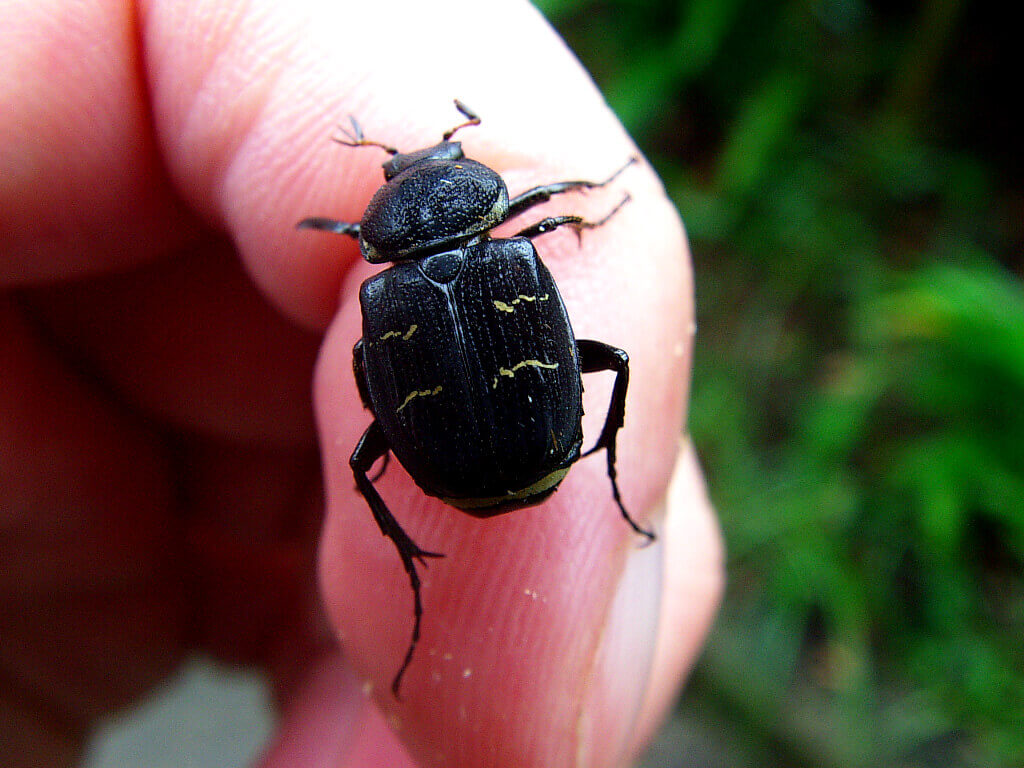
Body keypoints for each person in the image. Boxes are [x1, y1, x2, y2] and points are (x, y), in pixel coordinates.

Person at [0, 1, 723, 765]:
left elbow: (364, 373)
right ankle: (596, 478)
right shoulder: (509, 249)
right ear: (473, 191)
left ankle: (437, 565)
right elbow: (550, 207)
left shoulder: (384, 299)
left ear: (378, 224)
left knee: (361, 462)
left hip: (462, 467)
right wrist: (599, 194)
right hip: (533, 440)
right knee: (617, 356)